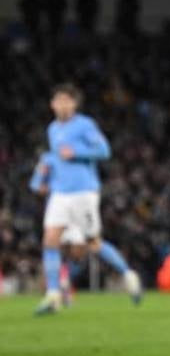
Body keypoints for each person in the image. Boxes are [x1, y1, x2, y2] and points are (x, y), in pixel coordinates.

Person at [31, 84, 143, 314]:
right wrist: (42, 181)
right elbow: (54, 159)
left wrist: (77, 153)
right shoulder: (52, 129)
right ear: (52, 104)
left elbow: (104, 150)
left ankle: (128, 275)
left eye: (66, 100)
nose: (62, 105)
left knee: (92, 243)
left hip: (83, 192)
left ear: (74, 104)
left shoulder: (85, 125)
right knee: (50, 239)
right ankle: (53, 294)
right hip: (59, 193)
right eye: (58, 101)